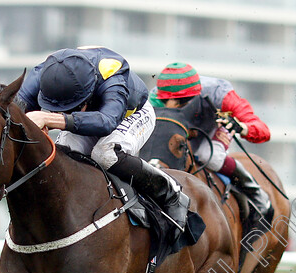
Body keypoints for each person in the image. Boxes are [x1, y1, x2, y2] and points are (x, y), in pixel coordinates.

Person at [14, 47, 190, 235]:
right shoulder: (46, 71)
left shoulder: (112, 73)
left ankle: (170, 192)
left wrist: (50, 119)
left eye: (67, 109)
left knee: (105, 154)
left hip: (131, 113)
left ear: (88, 96)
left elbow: (107, 122)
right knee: (63, 156)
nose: (60, 113)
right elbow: (13, 109)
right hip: (93, 113)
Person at [149, 62, 274, 235]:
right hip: (182, 132)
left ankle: (256, 194)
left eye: (178, 102)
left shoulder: (220, 93)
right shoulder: (153, 99)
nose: (170, 106)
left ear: (193, 96)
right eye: (165, 101)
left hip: (213, 127)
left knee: (208, 156)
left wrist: (241, 127)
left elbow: (263, 131)